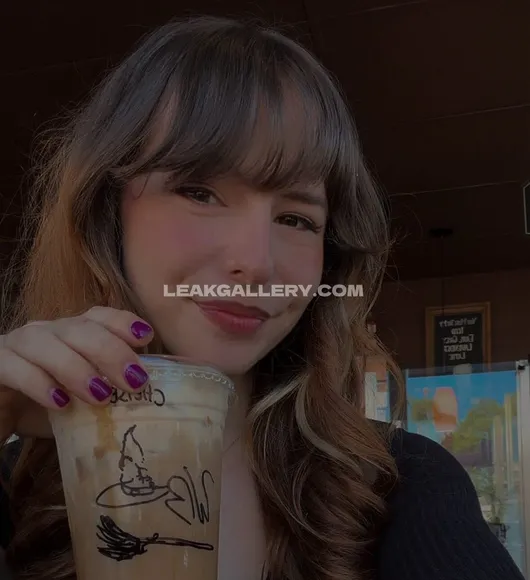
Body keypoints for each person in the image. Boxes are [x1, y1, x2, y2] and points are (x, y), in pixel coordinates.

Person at [0, 15, 523, 580]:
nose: (257, 263)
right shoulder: (14, 485)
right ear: (107, 214)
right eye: (200, 192)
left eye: (297, 219)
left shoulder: (402, 485)